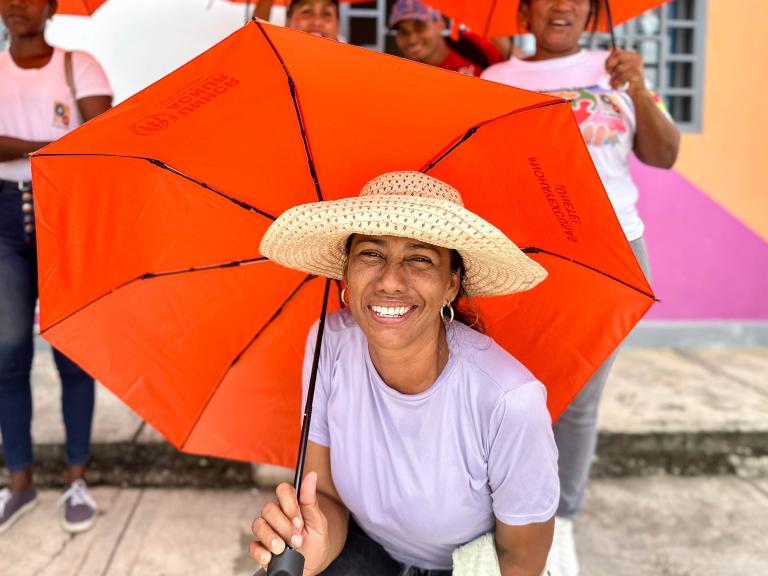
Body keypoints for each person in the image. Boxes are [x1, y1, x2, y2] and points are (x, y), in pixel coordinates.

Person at [250, 171, 559, 575]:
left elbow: (522, 559)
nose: (390, 281)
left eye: (419, 259)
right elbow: (326, 493)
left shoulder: (509, 402)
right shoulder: (330, 343)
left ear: (451, 285)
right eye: (371, 254)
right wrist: (316, 546)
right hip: (365, 550)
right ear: (346, 274)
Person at [481, 1, 680, 574]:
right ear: (524, 10)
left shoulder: (617, 69)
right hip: (528, 255)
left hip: (614, 253)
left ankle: (560, 522)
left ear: (593, 11)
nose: (561, 5)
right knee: (510, 393)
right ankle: (505, 517)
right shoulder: (499, 80)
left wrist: (638, 90)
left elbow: (663, 155)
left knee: (581, 401)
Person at [0, 0, 112, 534]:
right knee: (7, 357)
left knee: (74, 352)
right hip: (2, 221)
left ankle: (76, 479)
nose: (17, 5)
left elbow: (101, 139)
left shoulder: (79, 64)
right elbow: (77, 139)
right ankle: (19, 482)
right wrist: (53, 144)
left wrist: (23, 150)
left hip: (63, 214)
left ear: (49, 6)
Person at [389, 0, 504, 77]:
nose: (412, 39)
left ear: (440, 24)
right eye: (403, 32)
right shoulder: (405, 78)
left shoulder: (474, 45)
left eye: (420, 27)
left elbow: (515, 73)